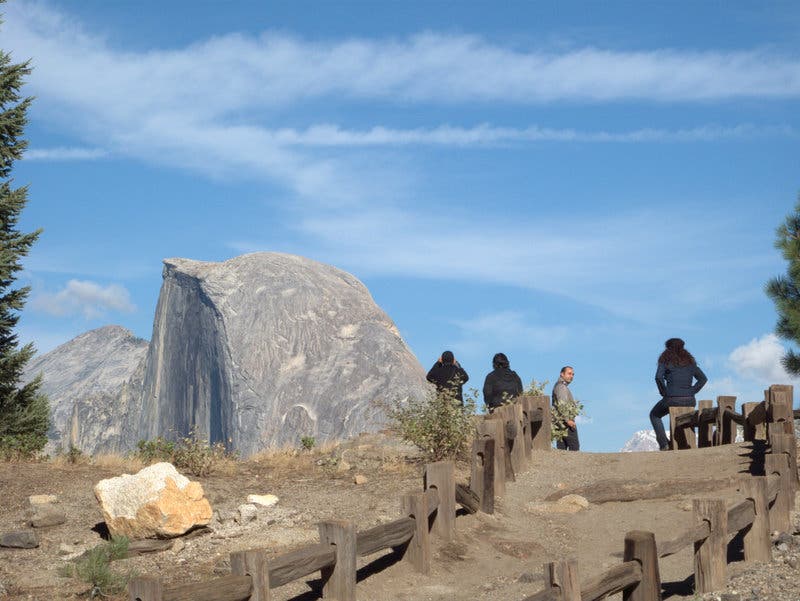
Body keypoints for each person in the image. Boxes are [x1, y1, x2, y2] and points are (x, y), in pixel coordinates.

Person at [650, 338, 708, 451]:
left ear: (668, 347)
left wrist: (664, 392)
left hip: (671, 398)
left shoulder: (665, 361)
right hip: (689, 400)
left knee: (654, 415)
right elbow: (703, 379)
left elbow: (658, 377)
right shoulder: (690, 363)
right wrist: (692, 391)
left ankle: (664, 444)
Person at [552, 366, 580, 451]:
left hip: (559, 423)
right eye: (569, 373)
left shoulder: (559, 386)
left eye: (573, 374)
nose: (571, 376)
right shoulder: (561, 387)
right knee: (574, 447)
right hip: (565, 423)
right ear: (562, 374)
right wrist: (568, 420)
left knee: (562, 450)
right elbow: (562, 404)